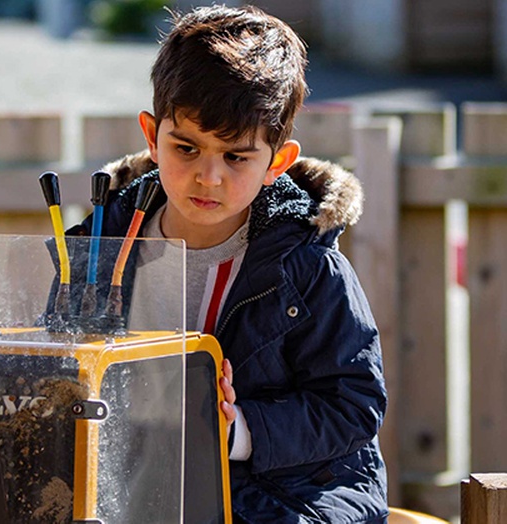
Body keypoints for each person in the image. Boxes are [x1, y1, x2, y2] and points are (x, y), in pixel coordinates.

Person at [60, 4, 389, 523]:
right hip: (131, 483)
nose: (207, 177)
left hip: (290, 492)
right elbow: (52, 369)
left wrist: (238, 429)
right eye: (186, 147)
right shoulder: (98, 245)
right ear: (151, 135)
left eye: (235, 156)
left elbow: (353, 406)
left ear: (276, 162)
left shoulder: (306, 266)